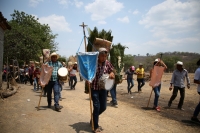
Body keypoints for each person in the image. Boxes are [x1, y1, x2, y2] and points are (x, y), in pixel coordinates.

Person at [89, 48, 115, 133]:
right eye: (102, 56)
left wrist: (112, 74)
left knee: (103, 107)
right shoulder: (94, 63)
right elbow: (88, 72)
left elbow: (112, 70)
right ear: (98, 55)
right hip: (95, 88)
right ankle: (95, 126)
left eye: (105, 56)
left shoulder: (107, 63)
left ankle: (93, 119)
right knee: (96, 107)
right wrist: (88, 79)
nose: (104, 58)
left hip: (103, 89)